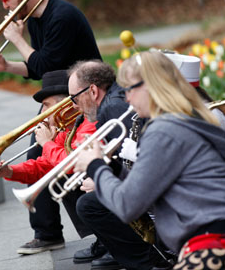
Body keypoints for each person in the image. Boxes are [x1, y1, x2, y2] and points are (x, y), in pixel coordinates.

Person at [74, 51, 225, 269]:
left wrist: (95, 167)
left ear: (152, 86)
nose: (127, 98)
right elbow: (145, 192)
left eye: (130, 89)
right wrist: (110, 166)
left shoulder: (164, 130)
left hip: (219, 242)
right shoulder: (184, 120)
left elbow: (127, 205)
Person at [0, 0, 102, 251]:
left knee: (50, 156)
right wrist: (6, 66)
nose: (4, 7)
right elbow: (41, 69)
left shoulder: (62, 16)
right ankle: (49, 232)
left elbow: (45, 62)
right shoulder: (35, 18)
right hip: (63, 93)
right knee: (40, 152)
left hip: (88, 96)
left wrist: (16, 40)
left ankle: (73, 235)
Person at [68, 60, 167, 270]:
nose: (74, 106)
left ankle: (147, 262)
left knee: (88, 205)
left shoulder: (112, 107)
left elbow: (136, 162)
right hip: (150, 187)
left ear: (93, 90)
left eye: (74, 98)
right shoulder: (112, 103)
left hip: (154, 194)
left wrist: (101, 179)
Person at [0, 70, 96, 254]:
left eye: (46, 105)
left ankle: (108, 239)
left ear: (66, 104)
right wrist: (9, 171)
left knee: (64, 178)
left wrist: (47, 143)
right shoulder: (66, 130)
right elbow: (44, 165)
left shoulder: (89, 123)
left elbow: (69, 164)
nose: (42, 113)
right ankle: (104, 238)